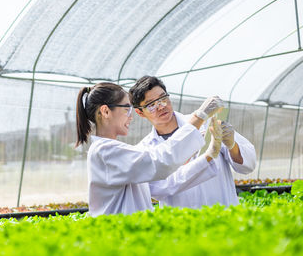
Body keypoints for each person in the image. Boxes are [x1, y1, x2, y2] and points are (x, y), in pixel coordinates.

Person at [75, 82, 223, 217]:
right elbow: (160, 160)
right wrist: (199, 117)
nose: (131, 117)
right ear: (106, 111)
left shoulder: (116, 151)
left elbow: (168, 183)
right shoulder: (105, 151)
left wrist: (209, 155)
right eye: (127, 109)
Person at [129, 76, 256, 208]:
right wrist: (207, 157)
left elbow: (248, 165)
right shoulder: (145, 150)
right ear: (140, 112)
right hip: (184, 224)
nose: (161, 106)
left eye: (163, 98)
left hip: (225, 216)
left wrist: (232, 145)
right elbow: (158, 190)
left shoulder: (207, 123)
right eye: (151, 105)